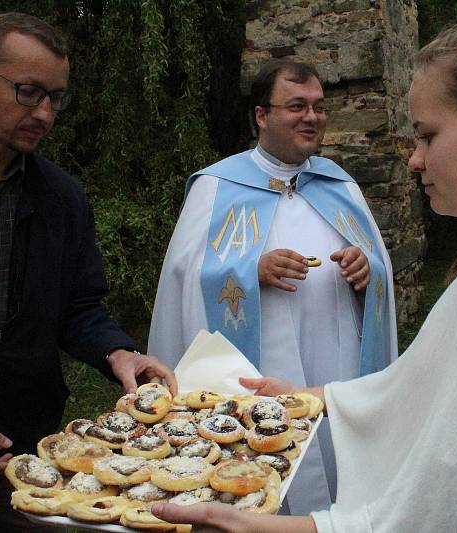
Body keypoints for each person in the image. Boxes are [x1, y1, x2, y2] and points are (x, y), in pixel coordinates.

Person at [151, 9, 457, 532]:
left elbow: (437, 512)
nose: (414, 160)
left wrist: (254, 526)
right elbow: (428, 397)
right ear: (261, 116)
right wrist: (309, 397)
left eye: (427, 135)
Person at [0, 12, 177, 532]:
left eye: (56, 99)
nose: (44, 113)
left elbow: (80, 306)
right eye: (28, 92)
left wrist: (118, 351)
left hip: (25, 434)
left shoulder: (62, 197)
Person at [148, 59, 397, 513]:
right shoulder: (217, 186)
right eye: (297, 106)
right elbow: (182, 278)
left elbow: (378, 267)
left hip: (335, 358)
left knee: (336, 467)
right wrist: (248, 272)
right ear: (262, 116)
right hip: (259, 358)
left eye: (319, 107)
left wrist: (369, 272)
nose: (312, 118)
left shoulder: (339, 185)